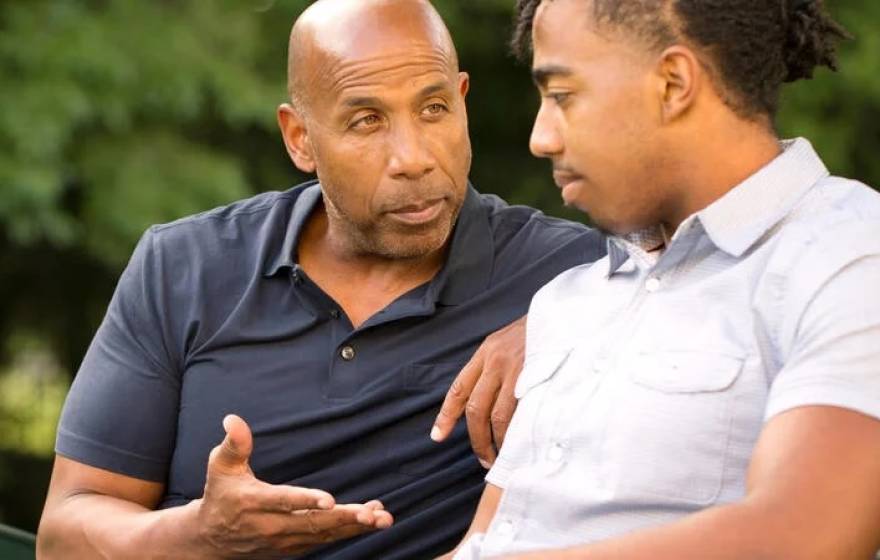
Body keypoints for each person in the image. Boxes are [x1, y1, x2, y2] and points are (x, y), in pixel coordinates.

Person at [35, 1, 607, 559]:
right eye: (367, 120)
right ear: (300, 139)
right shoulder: (183, 266)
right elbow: (61, 538)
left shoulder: (574, 276)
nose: (412, 157)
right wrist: (202, 537)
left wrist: (567, 314)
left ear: (462, 102)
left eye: (432, 109)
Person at [447, 0, 880, 558]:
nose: (541, 138)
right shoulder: (567, 302)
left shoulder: (846, 254)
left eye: (561, 96)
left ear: (673, 83)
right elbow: (485, 545)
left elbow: (811, 532)